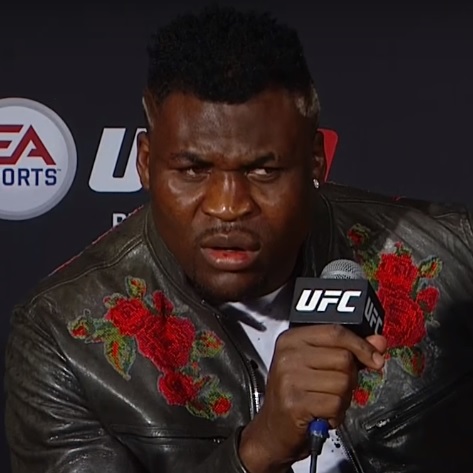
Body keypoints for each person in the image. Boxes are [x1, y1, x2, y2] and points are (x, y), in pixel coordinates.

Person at [4, 5, 473, 473]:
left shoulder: (453, 253)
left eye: (263, 170)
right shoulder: (62, 337)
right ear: (145, 163)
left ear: (315, 160)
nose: (228, 206)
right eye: (193, 170)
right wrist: (259, 449)